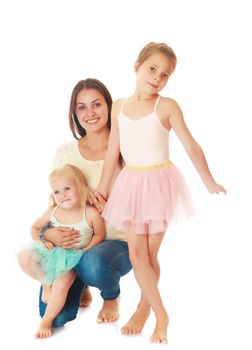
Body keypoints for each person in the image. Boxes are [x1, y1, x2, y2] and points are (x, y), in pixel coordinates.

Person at [95, 42, 227, 344]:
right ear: (137, 66)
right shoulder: (119, 106)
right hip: (130, 183)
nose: (157, 78)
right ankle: (160, 312)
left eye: (165, 74)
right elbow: (113, 150)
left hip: (159, 185)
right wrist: (103, 187)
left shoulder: (166, 106)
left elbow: (191, 146)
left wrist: (209, 181)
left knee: (150, 255)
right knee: (136, 254)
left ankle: (147, 310)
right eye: (152, 69)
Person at [38, 79, 131, 328]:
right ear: (74, 113)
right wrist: (50, 234)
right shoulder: (65, 153)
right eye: (81, 107)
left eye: (96, 105)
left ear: (109, 107)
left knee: (93, 263)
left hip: (117, 242)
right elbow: (54, 205)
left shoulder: (128, 150)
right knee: (54, 317)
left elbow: (142, 204)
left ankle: (111, 296)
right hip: (73, 246)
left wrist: (109, 207)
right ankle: (81, 283)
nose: (89, 113)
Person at [18, 164, 105, 338]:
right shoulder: (53, 211)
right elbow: (35, 228)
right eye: (57, 192)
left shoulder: (90, 213)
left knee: (61, 284)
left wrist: (86, 249)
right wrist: (42, 242)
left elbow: (99, 234)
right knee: (24, 257)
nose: (62, 195)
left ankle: (46, 322)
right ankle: (45, 282)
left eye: (67, 188)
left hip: (73, 258)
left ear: (80, 187)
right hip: (52, 253)